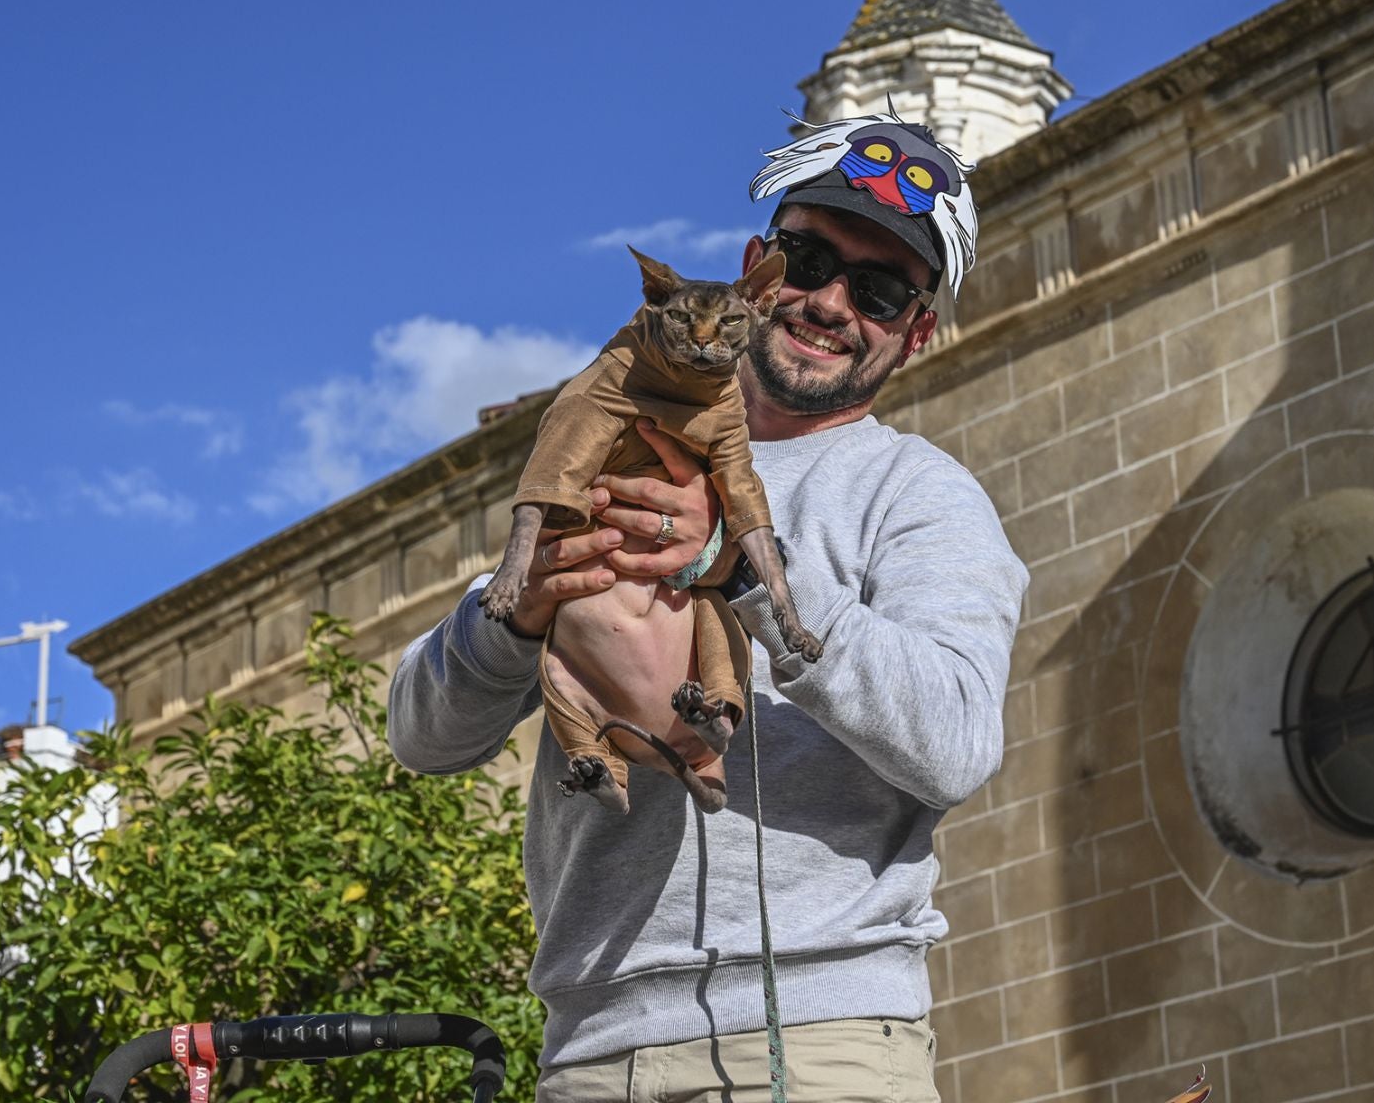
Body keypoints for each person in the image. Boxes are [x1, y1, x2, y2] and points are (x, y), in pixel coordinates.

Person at [387, 112, 1029, 1103]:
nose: (828, 301)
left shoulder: (920, 495)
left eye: (881, 287)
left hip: (820, 1043)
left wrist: (737, 562)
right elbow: (420, 734)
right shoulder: (615, 443)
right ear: (752, 269)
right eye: (806, 257)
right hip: (590, 1056)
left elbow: (955, 738)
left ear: (918, 331)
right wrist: (511, 620)